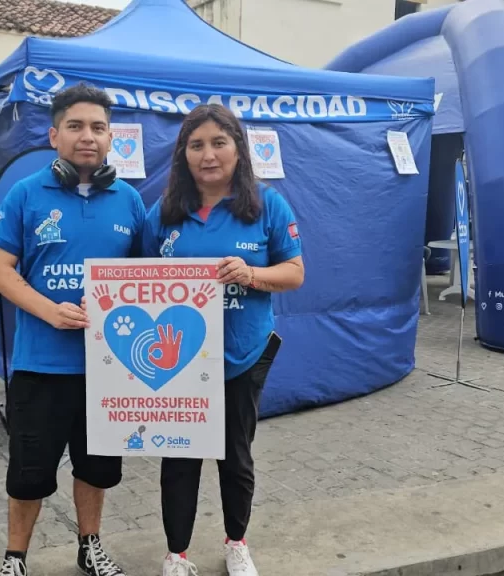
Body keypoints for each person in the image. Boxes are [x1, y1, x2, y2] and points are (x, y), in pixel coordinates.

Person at [0, 83, 145, 576]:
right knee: (28, 473)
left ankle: (89, 545)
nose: (87, 136)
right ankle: (15, 557)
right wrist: (49, 311)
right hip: (41, 366)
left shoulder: (129, 200)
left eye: (98, 127)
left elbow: (146, 281)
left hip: (109, 368)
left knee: (97, 467)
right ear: (55, 135)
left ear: (111, 137)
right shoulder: (25, 194)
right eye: (75, 126)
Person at [140, 104, 305, 576]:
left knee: (235, 457)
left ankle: (237, 543)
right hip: (179, 361)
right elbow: (139, 278)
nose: (208, 155)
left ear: (238, 149)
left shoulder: (267, 205)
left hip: (242, 356)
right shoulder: (164, 212)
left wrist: (251, 274)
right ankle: (176, 554)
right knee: (180, 458)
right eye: (196, 145)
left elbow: (294, 273)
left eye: (219, 143)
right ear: (183, 154)